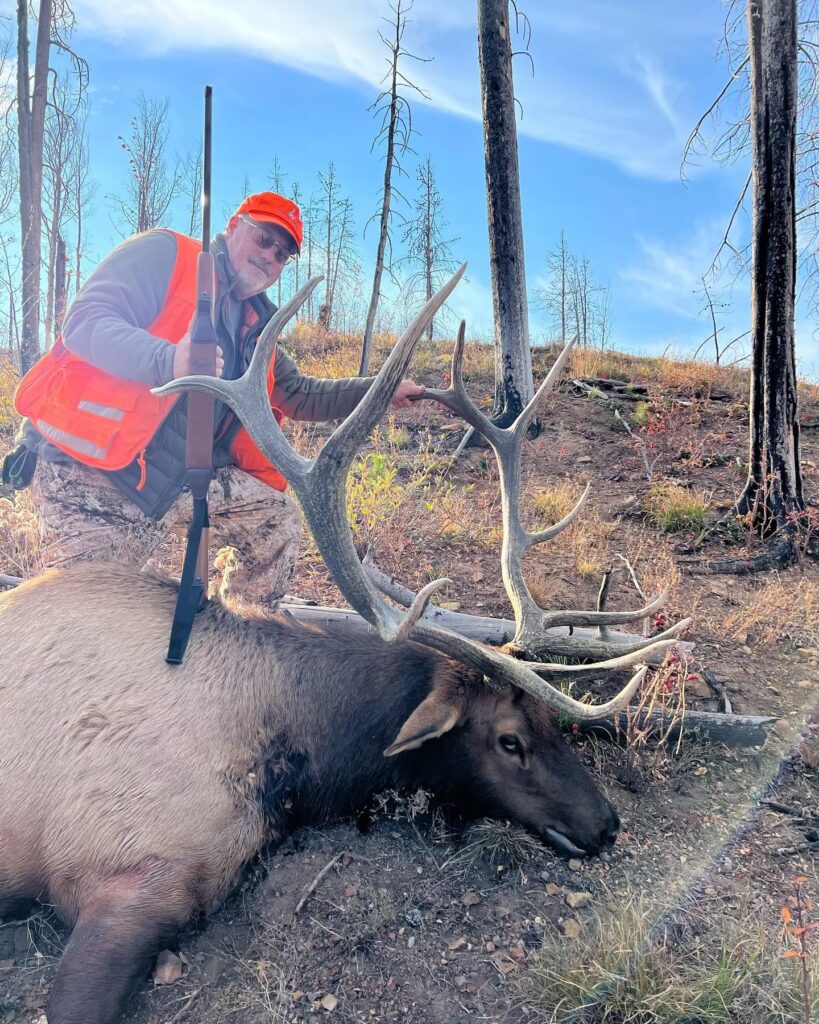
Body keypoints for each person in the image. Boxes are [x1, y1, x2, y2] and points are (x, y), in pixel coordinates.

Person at [7, 191, 425, 607]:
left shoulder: (258, 331)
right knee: (85, 619)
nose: (270, 256)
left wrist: (381, 390)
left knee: (276, 522)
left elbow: (300, 394)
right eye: (264, 238)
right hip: (91, 477)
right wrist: (169, 360)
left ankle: (235, 635)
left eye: (282, 254)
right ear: (233, 226)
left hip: (177, 485)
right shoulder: (166, 255)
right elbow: (84, 322)